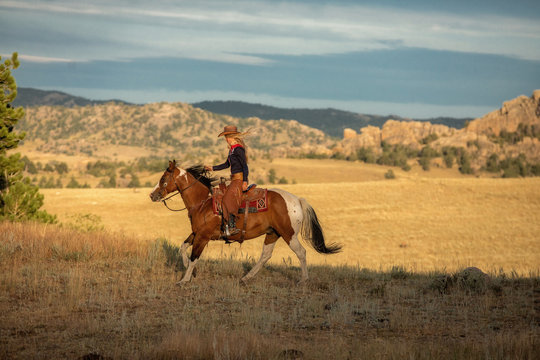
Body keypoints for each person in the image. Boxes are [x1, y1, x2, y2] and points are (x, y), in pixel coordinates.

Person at [205, 125, 249, 237]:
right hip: (234, 179)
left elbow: (245, 166)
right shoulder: (232, 150)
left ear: (232, 136)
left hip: (239, 180)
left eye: (227, 137)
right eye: (225, 137)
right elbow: (226, 164)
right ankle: (227, 226)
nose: (226, 139)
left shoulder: (238, 149)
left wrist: (245, 181)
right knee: (222, 196)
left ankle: (232, 226)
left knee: (227, 199)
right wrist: (212, 168)